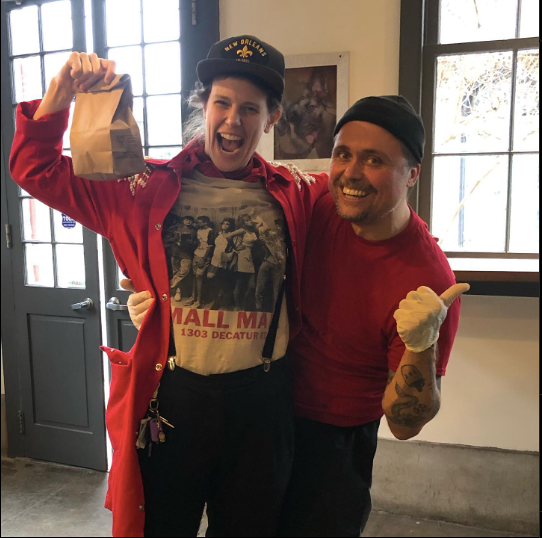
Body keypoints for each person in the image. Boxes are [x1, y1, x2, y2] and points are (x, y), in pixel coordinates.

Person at [9, 35, 328, 537]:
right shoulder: (142, 187)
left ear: (272, 117)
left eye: (250, 108)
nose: (233, 120)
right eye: (222, 103)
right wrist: (60, 92)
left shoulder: (301, 194)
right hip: (174, 399)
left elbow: (371, 210)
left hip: (262, 404)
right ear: (203, 106)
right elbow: (37, 170)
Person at [126, 96, 469, 538]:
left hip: (333, 441)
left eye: (375, 160)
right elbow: (225, 207)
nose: (352, 173)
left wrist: (421, 345)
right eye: (343, 154)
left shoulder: (429, 282)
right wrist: (163, 303)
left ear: (413, 173)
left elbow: (405, 424)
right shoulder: (315, 203)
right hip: (262, 405)